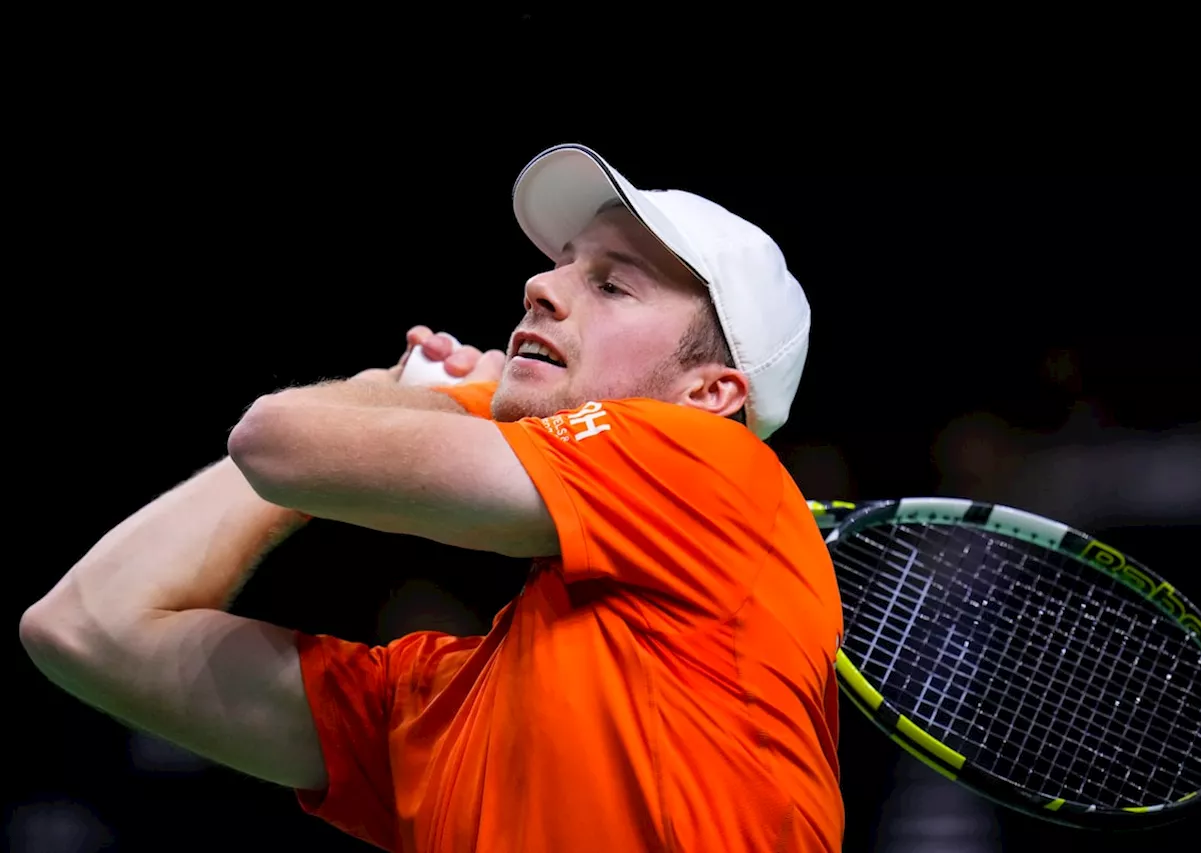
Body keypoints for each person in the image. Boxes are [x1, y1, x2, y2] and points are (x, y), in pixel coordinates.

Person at [20, 144, 844, 852]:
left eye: (613, 286)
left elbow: (275, 441)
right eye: (560, 265)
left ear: (711, 392)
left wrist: (444, 401)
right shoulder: (437, 714)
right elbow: (86, 625)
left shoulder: (713, 466)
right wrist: (388, 397)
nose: (540, 287)